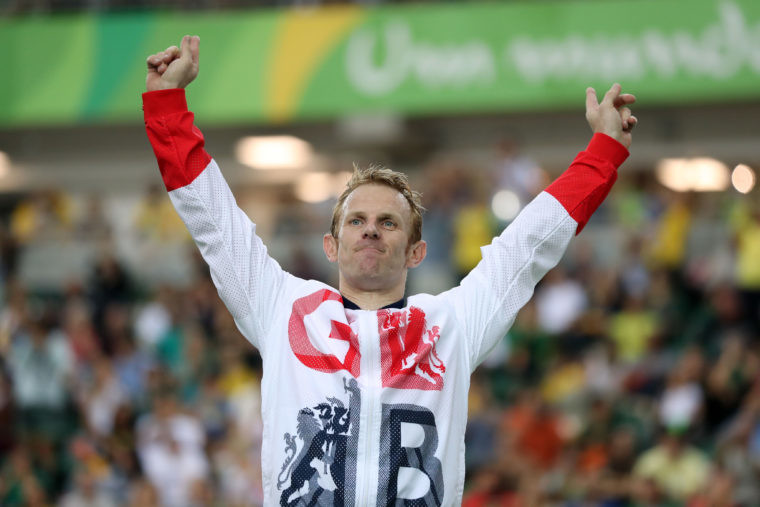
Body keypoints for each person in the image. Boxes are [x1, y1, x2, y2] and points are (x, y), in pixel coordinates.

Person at [143, 35, 637, 506]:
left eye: (388, 223)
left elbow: (529, 244)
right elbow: (215, 223)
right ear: (330, 246)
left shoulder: (452, 324)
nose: (372, 231)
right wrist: (168, 108)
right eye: (356, 221)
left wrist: (602, 153)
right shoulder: (281, 308)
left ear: (416, 252)